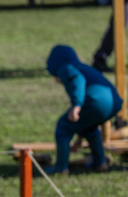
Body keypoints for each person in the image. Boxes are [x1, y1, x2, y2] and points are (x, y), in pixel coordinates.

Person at [45, 45, 123, 175]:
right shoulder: (83, 67)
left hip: (97, 101)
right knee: (90, 129)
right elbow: (83, 122)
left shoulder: (66, 67)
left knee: (63, 126)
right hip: (114, 102)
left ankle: (60, 168)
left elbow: (77, 79)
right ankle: (100, 163)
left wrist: (77, 105)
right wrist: (79, 139)